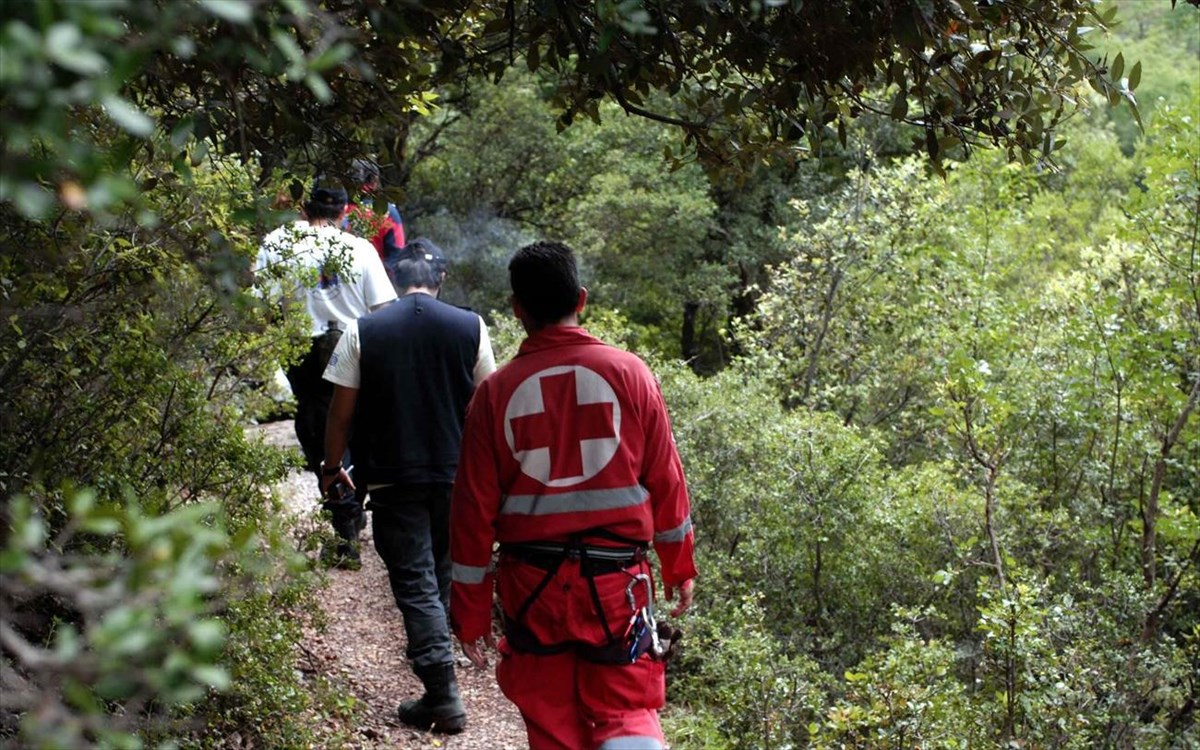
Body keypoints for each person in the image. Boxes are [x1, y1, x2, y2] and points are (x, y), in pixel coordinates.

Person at [450, 240, 698, 750]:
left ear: (518, 309)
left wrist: (470, 612)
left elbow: (471, 513)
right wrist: (678, 565)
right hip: (618, 587)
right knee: (627, 710)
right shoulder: (631, 374)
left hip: (531, 591)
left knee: (552, 724)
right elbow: (666, 481)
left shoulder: (494, 394)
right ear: (581, 299)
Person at [321, 238, 496, 734]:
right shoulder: (471, 326)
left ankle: (442, 695)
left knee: (416, 583)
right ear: (440, 280)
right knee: (439, 573)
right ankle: (438, 671)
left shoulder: (364, 329)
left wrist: (333, 467)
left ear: (396, 282)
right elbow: (488, 401)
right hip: (456, 475)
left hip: (392, 476)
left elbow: (341, 411)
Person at [256, 182, 397, 568]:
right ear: (344, 211)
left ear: (305, 207)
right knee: (356, 427)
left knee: (319, 431)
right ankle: (349, 516)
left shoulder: (277, 242)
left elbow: (263, 306)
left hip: (302, 347)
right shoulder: (360, 248)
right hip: (353, 344)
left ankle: (344, 522)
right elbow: (384, 309)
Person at [344, 158, 406, 277]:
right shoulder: (387, 213)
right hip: (377, 280)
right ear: (374, 182)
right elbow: (397, 255)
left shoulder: (338, 209)